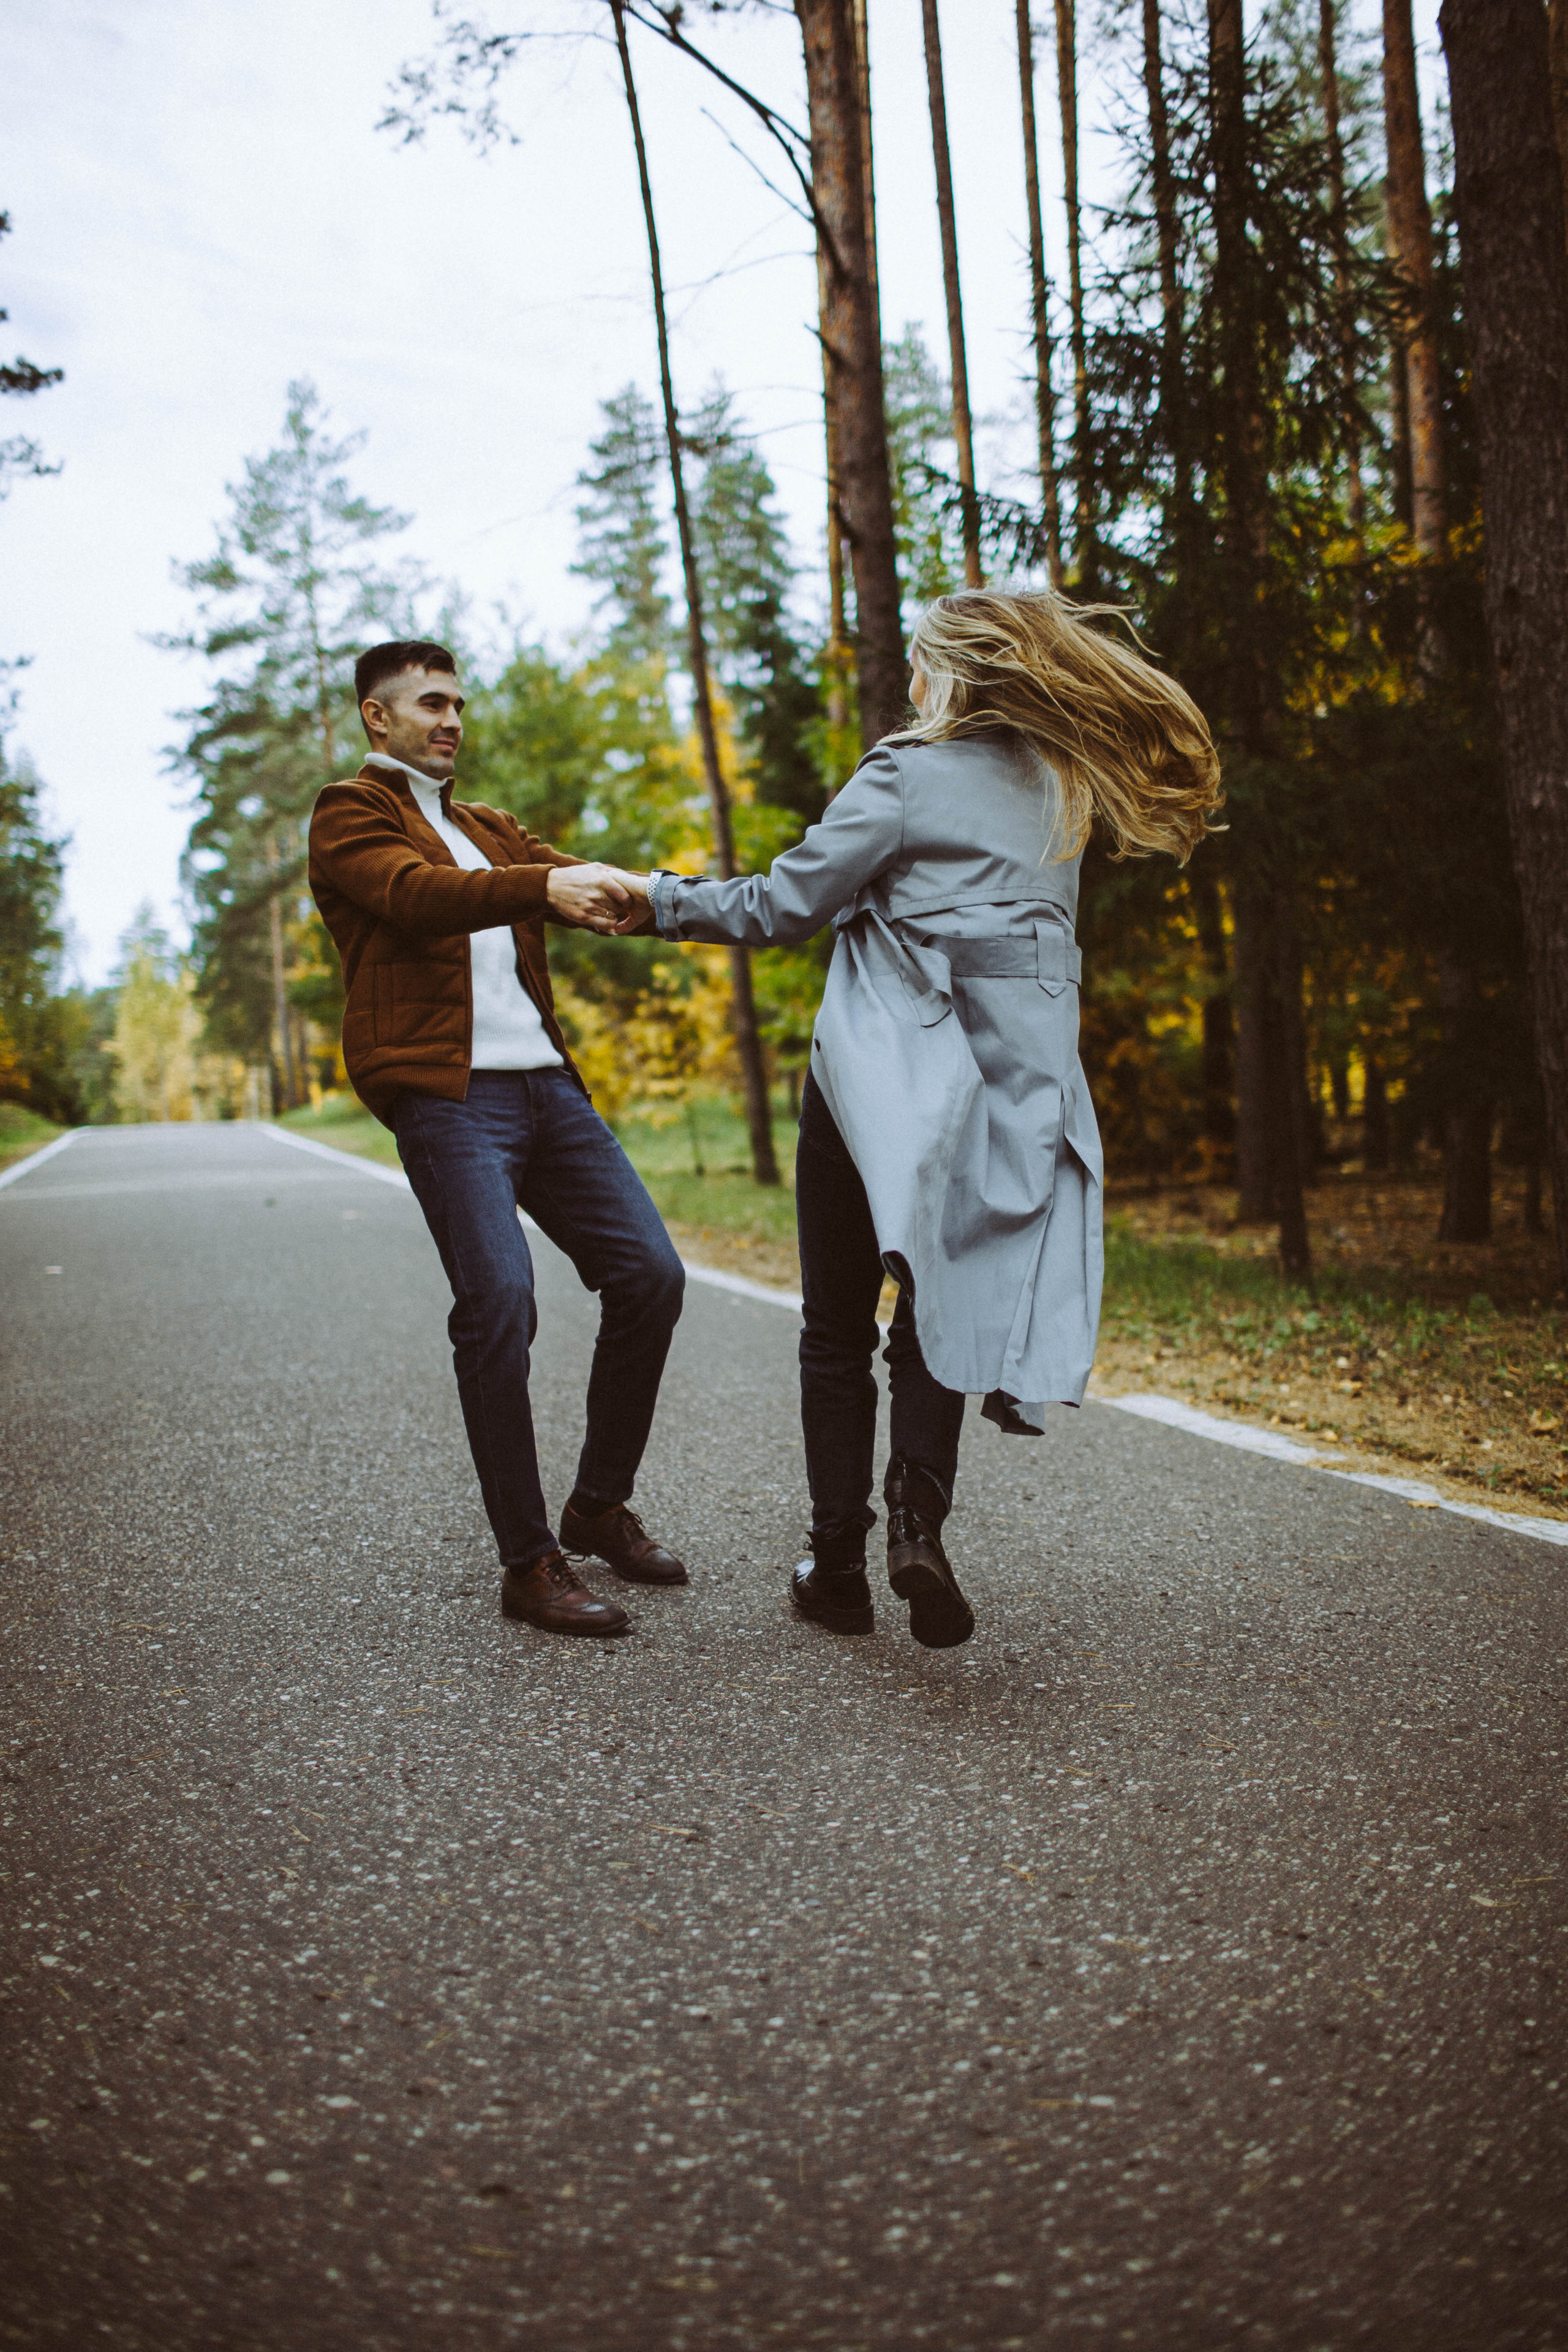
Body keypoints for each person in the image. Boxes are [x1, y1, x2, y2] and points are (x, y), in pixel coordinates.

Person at [612, 589, 1221, 1649]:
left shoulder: (902, 774)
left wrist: (656, 900)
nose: (907, 684)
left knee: (836, 1330)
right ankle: (917, 1524)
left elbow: (780, 906)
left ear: (950, 673)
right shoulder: (1062, 790)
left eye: (918, 666)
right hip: (1002, 1094)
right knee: (935, 1312)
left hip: (875, 1087)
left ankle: (837, 1565)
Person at [308, 640, 688, 1640]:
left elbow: (596, 884)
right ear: (376, 719)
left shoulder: (488, 826)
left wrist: (740, 900)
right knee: (501, 1303)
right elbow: (412, 898)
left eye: (459, 705)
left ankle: (598, 1506)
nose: (452, 720)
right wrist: (536, 888)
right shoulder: (349, 813)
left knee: (650, 1276)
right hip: (447, 1097)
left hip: (550, 1094)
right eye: (431, 704)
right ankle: (530, 1563)